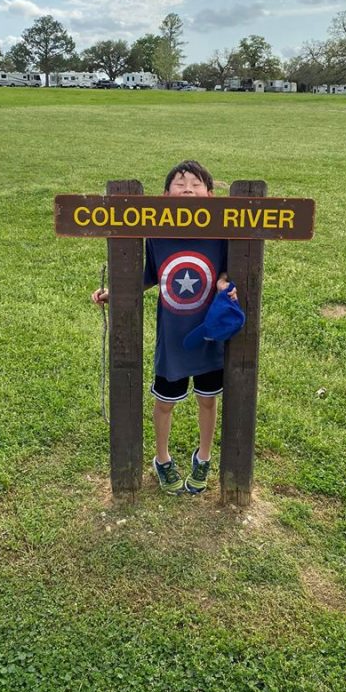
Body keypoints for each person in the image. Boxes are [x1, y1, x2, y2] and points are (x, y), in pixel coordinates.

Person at [91, 160, 237, 495]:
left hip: (209, 333)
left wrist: (224, 282)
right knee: (165, 402)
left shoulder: (223, 231)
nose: (188, 189)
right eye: (180, 183)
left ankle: (203, 457)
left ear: (211, 194)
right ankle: (162, 458)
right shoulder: (157, 232)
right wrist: (115, 291)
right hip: (173, 337)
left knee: (207, 399)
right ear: (165, 194)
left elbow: (230, 270)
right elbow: (150, 274)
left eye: (197, 184)